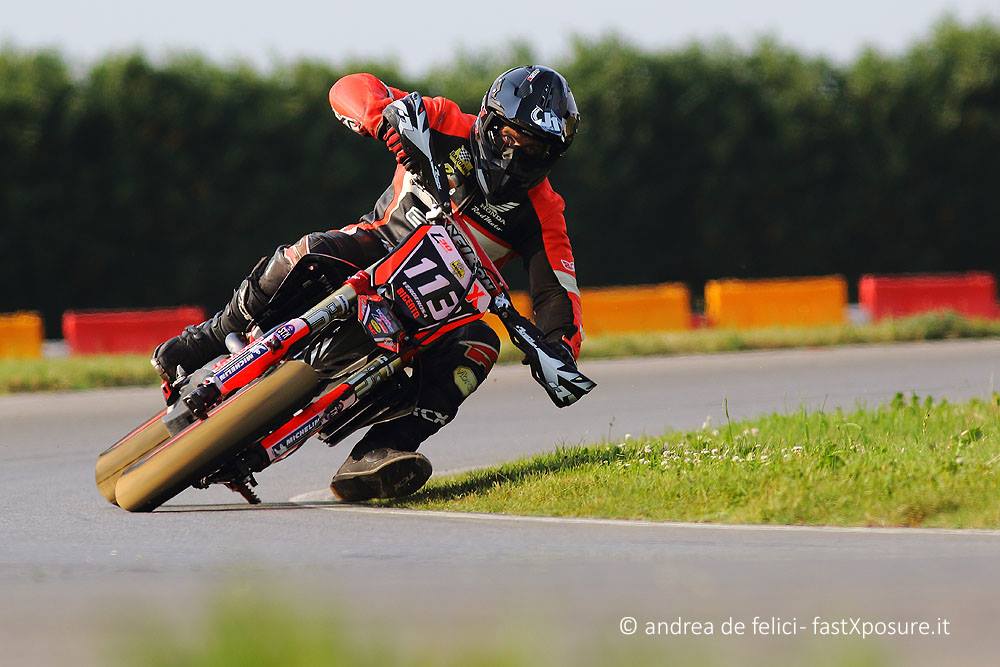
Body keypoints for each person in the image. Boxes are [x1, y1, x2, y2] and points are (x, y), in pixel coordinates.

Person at [152, 66, 584, 501]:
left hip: (440, 311)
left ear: (552, 156)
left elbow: (557, 293)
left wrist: (559, 348)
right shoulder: (442, 120)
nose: (515, 154)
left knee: (480, 347)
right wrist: (381, 120)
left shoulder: (544, 211)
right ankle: (208, 338)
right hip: (375, 246)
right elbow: (349, 89)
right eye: (510, 136)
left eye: (534, 148)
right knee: (308, 250)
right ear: (489, 120)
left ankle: (381, 451)